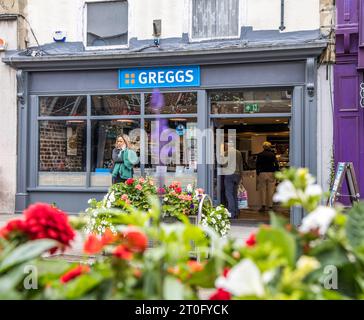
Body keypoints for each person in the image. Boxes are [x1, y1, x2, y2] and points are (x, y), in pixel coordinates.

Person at [221, 141, 244, 219]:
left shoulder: (226, 153)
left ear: (227, 146)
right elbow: (241, 165)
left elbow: (223, 164)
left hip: (229, 174)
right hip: (237, 175)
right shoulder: (239, 152)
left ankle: (231, 213)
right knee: (234, 194)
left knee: (229, 194)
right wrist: (241, 176)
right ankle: (236, 211)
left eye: (225, 146)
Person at [256, 141, 280, 213]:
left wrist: (258, 172)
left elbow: (257, 164)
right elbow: (276, 164)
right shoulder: (272, 155)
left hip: (262, 173)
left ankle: (263, 206)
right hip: (271, 173)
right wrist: (277, 171)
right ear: (269, 147)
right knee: (271, 190)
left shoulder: (260, 155)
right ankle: (270, 206)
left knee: (262, 189)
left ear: (263, 147)